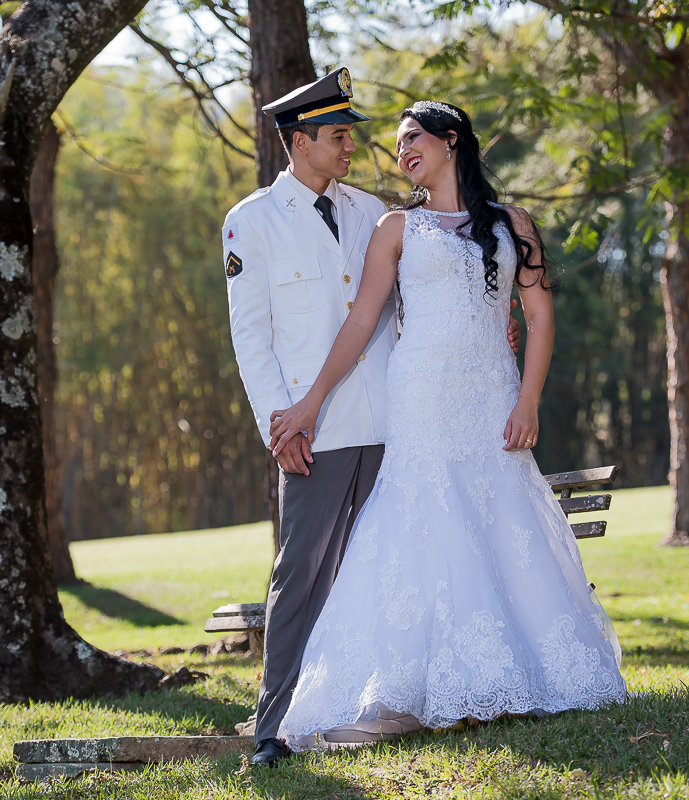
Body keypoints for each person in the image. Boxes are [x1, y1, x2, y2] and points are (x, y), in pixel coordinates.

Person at [268, 100, 627, 752]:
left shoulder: (514, 224)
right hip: (421, 400)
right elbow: (361, 322)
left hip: (493, 398)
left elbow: (539, 318)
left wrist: (529, 400)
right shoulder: (396, 228)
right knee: (420, 522)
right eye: (398, 143)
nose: (402, 151)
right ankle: (394, 692)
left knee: (502, 516)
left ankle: (522, 672)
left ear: (451, 140)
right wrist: (311, 399)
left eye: (413, 139)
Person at [221, 72, 519, 768]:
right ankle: (274, 724)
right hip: (315, 430)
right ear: (300, 142)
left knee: (390, 567)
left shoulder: (376, 213)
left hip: (399, 420)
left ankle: (391, 698)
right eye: (337, 136)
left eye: (350, 133)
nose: (351, 144)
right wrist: (282, 425)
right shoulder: (253, 221)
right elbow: (251, 336)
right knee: (302, 574)